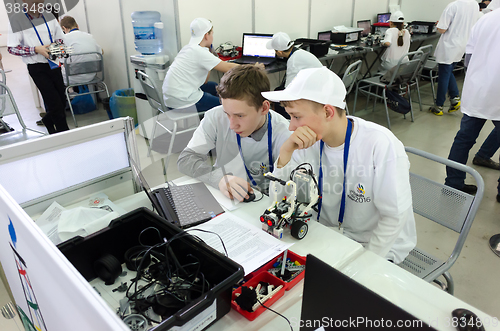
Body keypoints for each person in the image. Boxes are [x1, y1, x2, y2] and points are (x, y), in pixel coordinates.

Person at [263, 67, 416, 264]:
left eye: (297, 117)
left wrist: (366, 264)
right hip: (324, 236)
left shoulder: (381, 145)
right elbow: (279, 200)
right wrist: (285, 154)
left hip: (375, 247)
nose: (291, 126)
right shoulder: (305, 141)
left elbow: (394, 217)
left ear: (328, 112)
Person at [177, 65, 291, 201]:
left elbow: (288, 188)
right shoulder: (215, 117)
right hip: (223, 195)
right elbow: (185, 159)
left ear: (264, 107)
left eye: (240, 116)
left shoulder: (284, 132)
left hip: (263, 202)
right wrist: (219, 178)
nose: (232, 125)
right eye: (227, 114)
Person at [444, 8, 500, 201]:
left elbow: (468, 59)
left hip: (477, 91)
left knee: (463, 140)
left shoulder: (486, 19)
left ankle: (453, 183)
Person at [7, 0, 69, 134]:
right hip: (37, 67)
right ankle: (64, 134)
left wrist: (57, 49)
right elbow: (12, 48)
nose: (37, 5)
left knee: (62, 101)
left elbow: (60, 38)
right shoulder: (16, 20)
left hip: (54, 63)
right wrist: (36, 49)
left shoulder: (49, 16)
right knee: (54, 102)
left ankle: (48, 120)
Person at [162, 18, 238, 112]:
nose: (212, 37)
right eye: (212, 34)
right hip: (183, 101)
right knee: (228, 106)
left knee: (214, 86)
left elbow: (204, 81)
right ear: (206, 35)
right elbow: (229, 68)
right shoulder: (199, 52)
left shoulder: (188, 48)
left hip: (172, 99)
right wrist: (253, 68)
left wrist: (210, 59)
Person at [429, 0, 480, 116]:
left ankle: (439, 106)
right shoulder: (474, 4)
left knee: (443, 75)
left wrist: (439, 24)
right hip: (463, 44)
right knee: (448, 72)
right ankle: (455, 99)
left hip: (449, 45)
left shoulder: (453, 6)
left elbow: (442, 29)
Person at [265, 32, 322, 119]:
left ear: (280, 52)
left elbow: (288, 91)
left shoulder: (293, 61)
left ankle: (286, 122)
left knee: (280, 102)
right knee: (278, 90)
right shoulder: (299, 53)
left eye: (275, 51)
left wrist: (270, 99)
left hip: (315, 94)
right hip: (317, 86)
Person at [59, 15, 103, 88]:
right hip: (90, 76)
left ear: (64, 28)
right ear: (77, 26)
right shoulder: (89, 36)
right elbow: (101, 52)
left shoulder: (64, 39)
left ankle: (71, 96)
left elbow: (63, 62)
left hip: (71, 78)